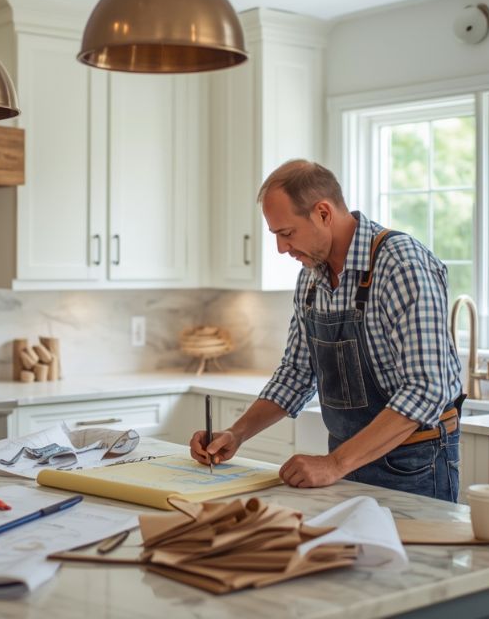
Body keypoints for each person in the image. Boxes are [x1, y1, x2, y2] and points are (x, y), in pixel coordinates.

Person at [190, 159, 464, 501]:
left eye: (287, 233)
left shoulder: (400, 265)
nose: (281, 248)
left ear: (323, 213)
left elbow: (427, 388)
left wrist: (334, 464)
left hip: (414, 465)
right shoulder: (311, 275)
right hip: (348, 460)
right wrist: (235, 433)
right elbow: (296, 373)